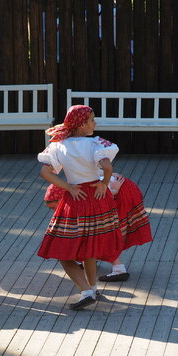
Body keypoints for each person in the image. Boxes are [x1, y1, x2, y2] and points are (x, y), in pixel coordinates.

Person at [38, 105, 123, 310]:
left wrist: (68, 186)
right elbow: (108, 166)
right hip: (96, 198)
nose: (95, 123)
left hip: (75, 198)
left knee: (63, 252)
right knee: (90, 248)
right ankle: (91, 288)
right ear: (82, 124)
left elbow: (46, 173)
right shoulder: (95, 144)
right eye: (92, 120)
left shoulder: (59, 145)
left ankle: (86, 290)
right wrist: (104, 183)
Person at [42, 163, 152, 283]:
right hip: (119, 190)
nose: (54, 211)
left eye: (54, 207)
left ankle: (119, 269)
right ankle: (92, 260)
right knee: (99, 232)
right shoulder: (77, 188)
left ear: (62, 198)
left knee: (104, 233)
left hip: (121, 193)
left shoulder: (80, 194)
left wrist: (114, 189)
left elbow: (104, 192)